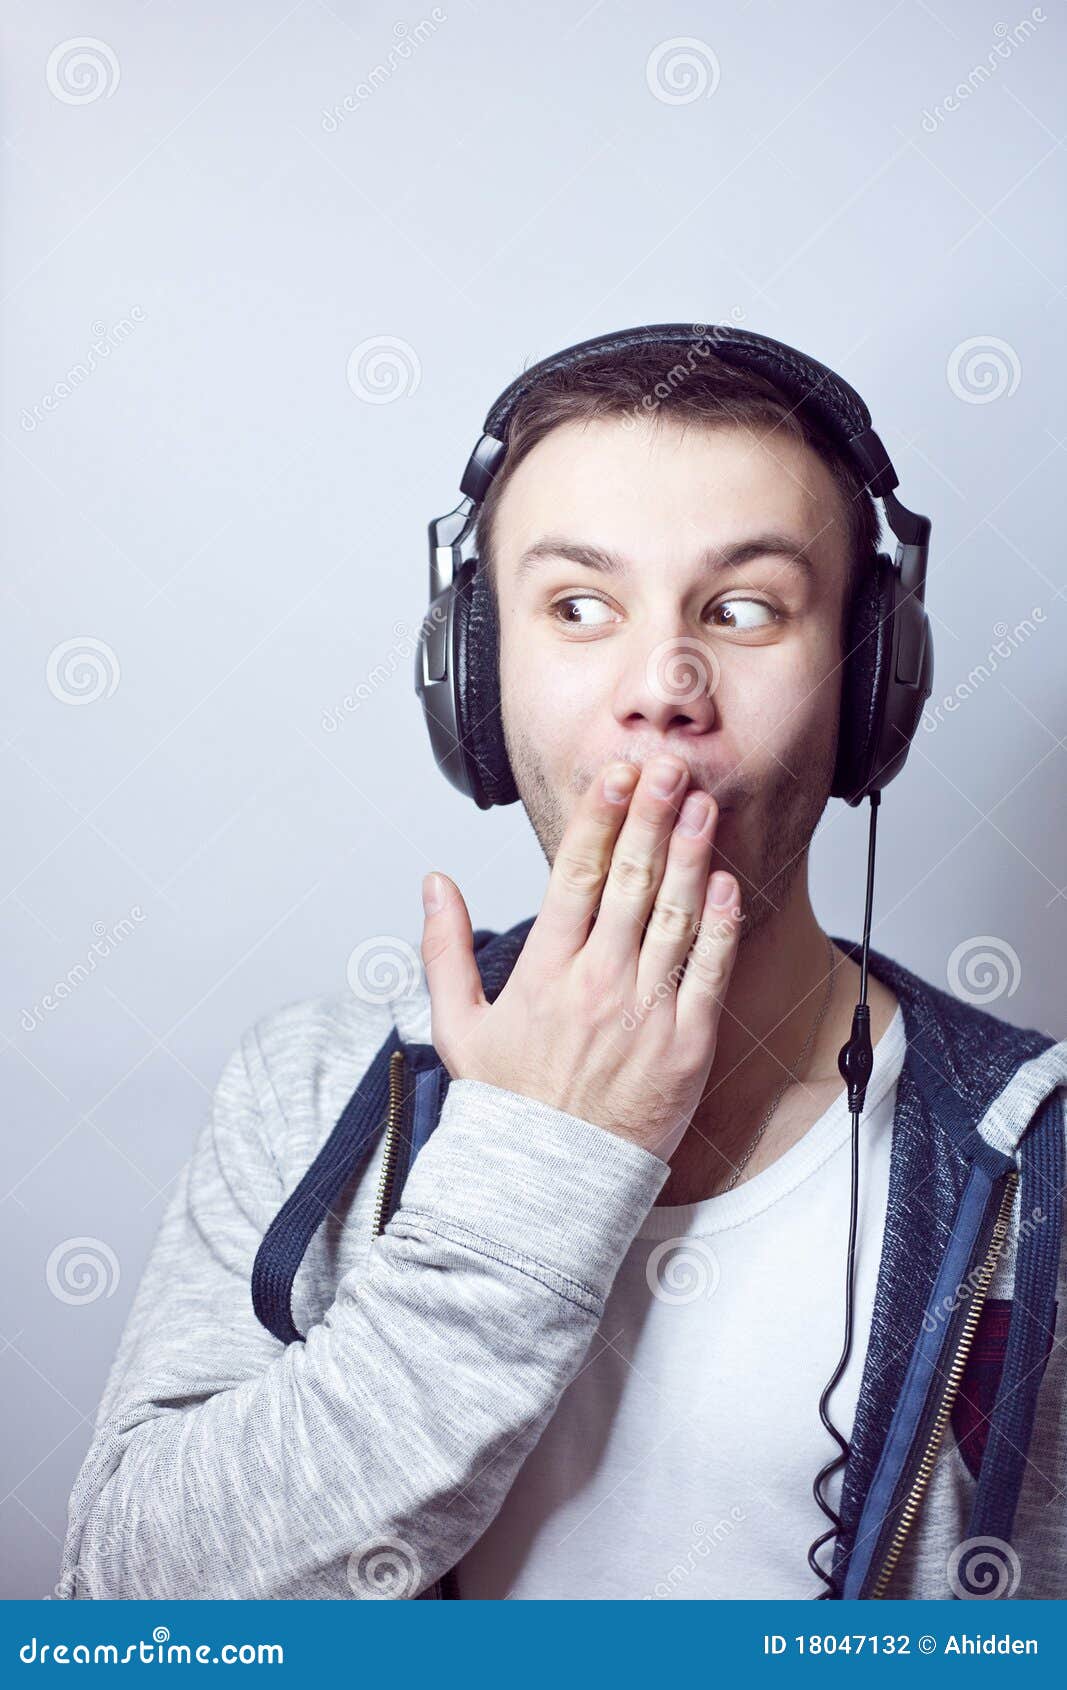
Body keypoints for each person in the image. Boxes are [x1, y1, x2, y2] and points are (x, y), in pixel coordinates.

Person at [60, 328, 1067, 1602]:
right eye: (579, 606)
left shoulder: (1037, 1158)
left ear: (869, 681)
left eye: (744, 607)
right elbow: (126, 1612)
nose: (664, 685)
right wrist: (538, 1164)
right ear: (473, 679)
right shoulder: (304, 1089)